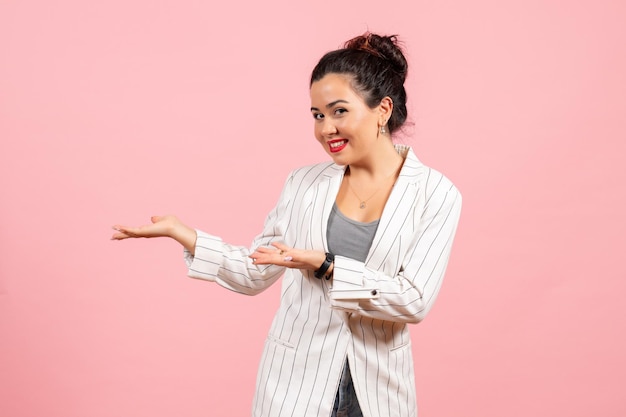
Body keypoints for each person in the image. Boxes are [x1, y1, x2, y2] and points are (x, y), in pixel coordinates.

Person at [112, 32, 462, 417]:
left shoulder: (436, 193)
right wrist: (185, 235)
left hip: (378, 391)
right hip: (295, 384)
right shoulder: (303, 184)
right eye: (317, 115)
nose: (326, 129)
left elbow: (412, 299)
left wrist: (325, 265)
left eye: (339, 111)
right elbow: (254, 271)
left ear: (382, 110)